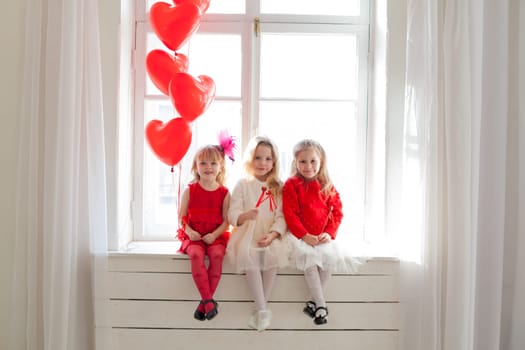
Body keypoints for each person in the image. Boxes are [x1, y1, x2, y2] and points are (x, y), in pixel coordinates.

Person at [227, 136, 288, 331]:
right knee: (249, 256)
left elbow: (282, 217)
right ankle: (262, 309)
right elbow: (232, 214)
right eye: (258, 158)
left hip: (269, 234)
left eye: (268, 159)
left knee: (273, 258)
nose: (263, 163)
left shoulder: (278, 186)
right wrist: (245, 215)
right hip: (247, 234)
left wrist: (272, 235)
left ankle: (261, 310)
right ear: (250, 160)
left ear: (274, 162)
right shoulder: (243, 184)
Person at [282, 139, 344, 325]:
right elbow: (289, 213)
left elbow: (338, 212)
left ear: (321, 162)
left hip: (321, 236)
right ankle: (322, 306)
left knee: (329, 261)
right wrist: (304, 235)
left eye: (313, 161)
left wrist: (329, 233)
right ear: (296, 162)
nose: (308, 166)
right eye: (303, 162)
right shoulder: (292, 184)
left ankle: (313, 302)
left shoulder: (326, 184)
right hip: (300, 236)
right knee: (310, 262)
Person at [177, 142, 232, 321]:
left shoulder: (224, 193)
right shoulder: (190, 190)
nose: (208, 167)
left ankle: (204, 304)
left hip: (215, 237)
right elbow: (182, 216)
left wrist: (214, 235)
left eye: (213, 163)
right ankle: (208, 301)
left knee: (217, 256)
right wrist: (190, 230)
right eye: (203, 163)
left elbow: (226, 221)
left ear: (220, 167)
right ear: (196, 167)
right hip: (194, 237)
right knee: (195, 255)